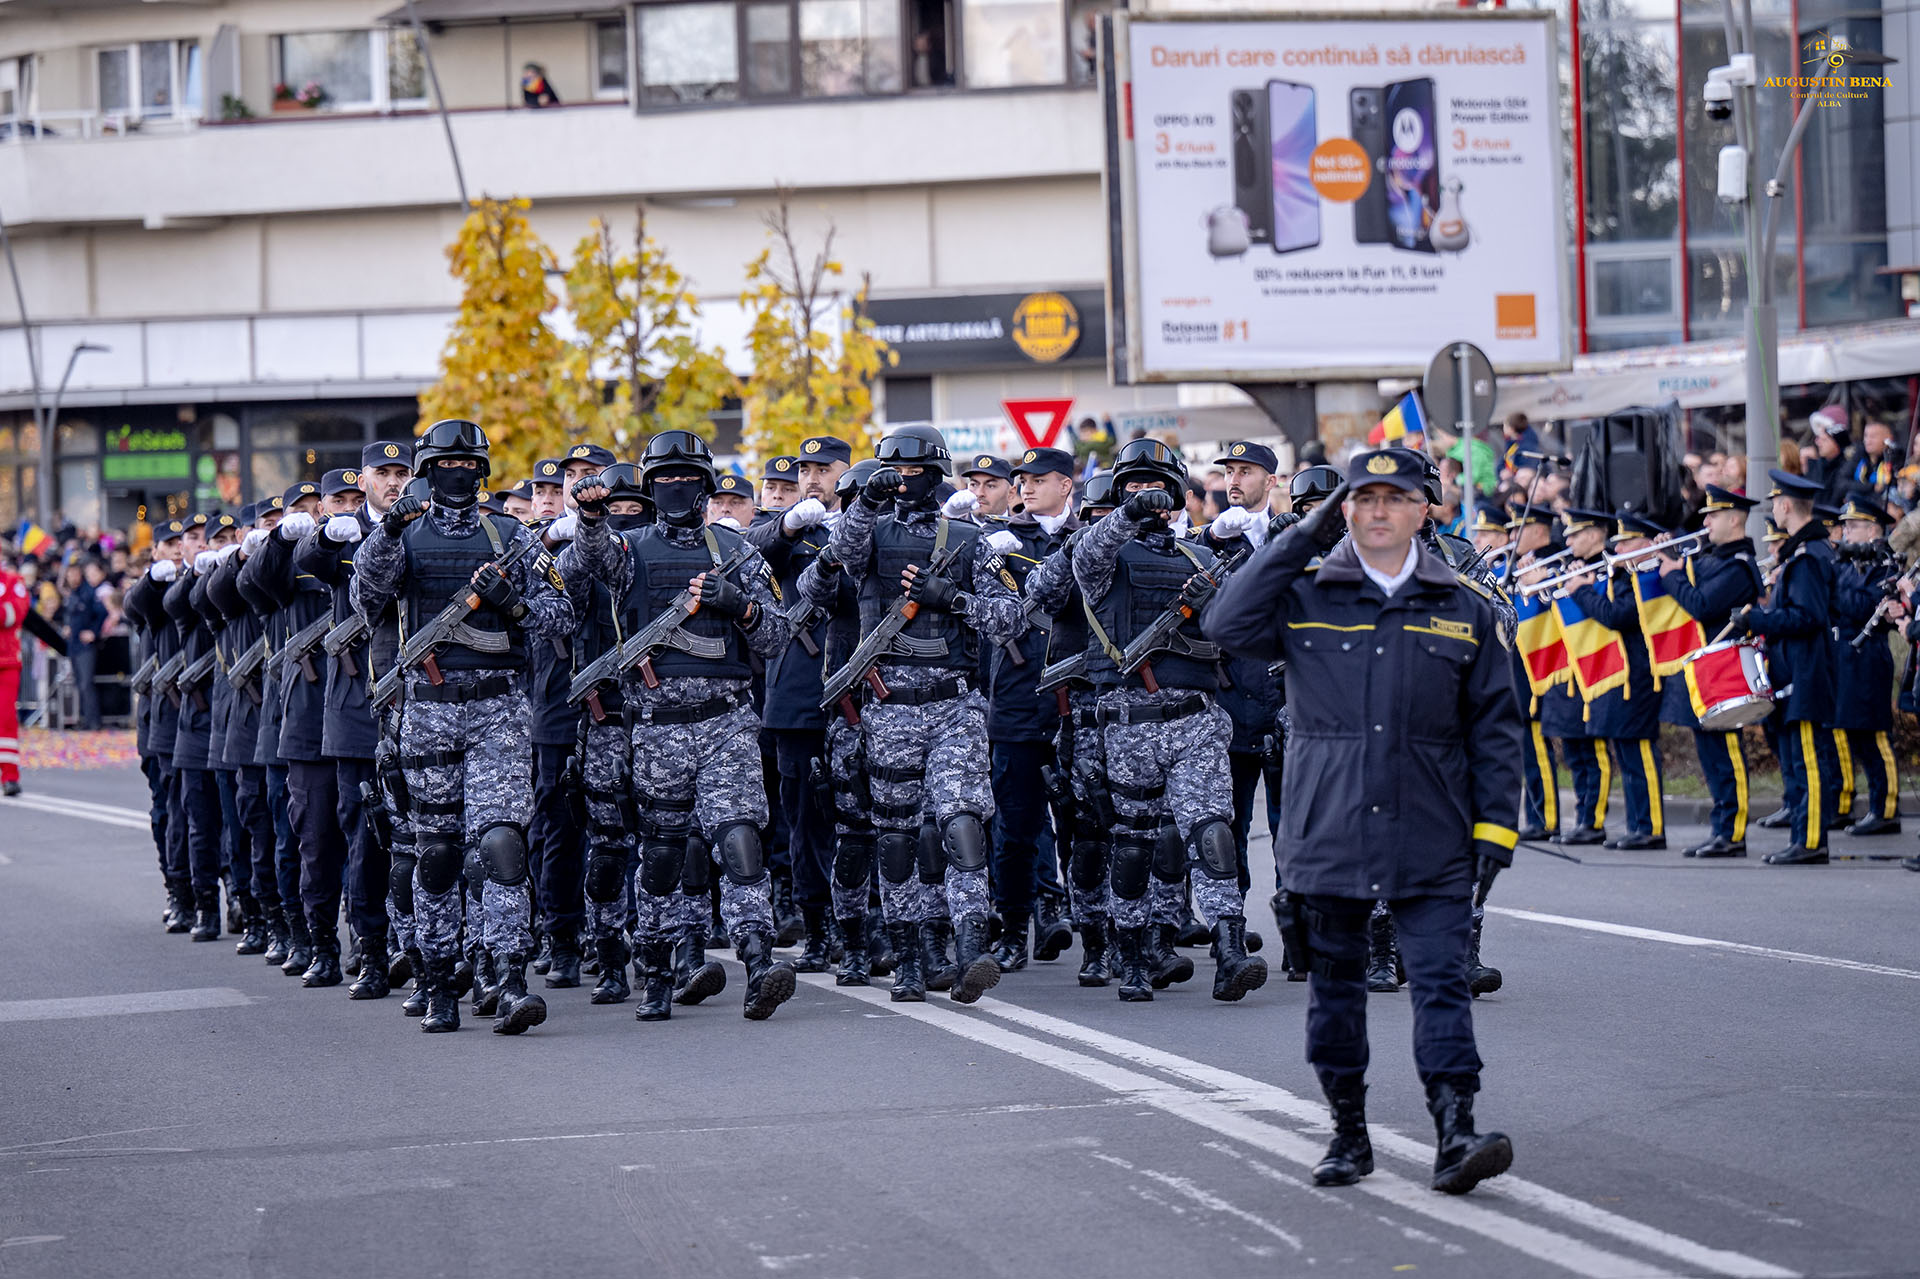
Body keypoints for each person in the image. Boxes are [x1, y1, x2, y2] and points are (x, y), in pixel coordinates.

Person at [1203, 448, 1521, 1197]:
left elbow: (1498, 729)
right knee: (1338, 991)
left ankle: (1455, 1129)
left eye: (1395, 498)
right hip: (1329, 828)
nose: (1379, 511)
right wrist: (1303, 534)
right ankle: (1348, 1131)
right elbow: (1226, 620)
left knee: (1441, 983)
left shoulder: (1463, 607)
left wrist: (1496, 831)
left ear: (1423, 510)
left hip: (1433, 831)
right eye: (1363, 498)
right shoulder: (1306, 593)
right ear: (1344, 509)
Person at [563, 430, 798, 1022]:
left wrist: (738, 606)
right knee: (662, 853)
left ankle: (758, 958)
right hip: (656, 726)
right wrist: (591, 518)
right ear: (648, 486)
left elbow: (776, 636)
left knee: (740, 839)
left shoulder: (737, 550)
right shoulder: (630, 549)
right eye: (664, 478)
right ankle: (658, 970)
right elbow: (589, 564)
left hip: (727, 723)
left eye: (687, 478)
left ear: (706, 485)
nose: (676, 488)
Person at [352, 420, 576, 1034]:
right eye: (444, 464)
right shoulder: (401, 535)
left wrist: (515, 602)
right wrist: (390, 529)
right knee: (438, 852)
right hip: (426, 707)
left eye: (466, 464)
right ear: (428, 471)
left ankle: (508, 976)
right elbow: (366, 596)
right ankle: (439, 975)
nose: (456, 474)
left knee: (502, 842)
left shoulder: (511, 536)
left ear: (481, 471)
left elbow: (562, 616)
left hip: (499, 707)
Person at [812, 424, 1023, 1004]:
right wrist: (868, 502)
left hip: (953, 705)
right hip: (889, 709)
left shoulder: (970, 540)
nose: (902, 484)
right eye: (892, 474)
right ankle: (907, 957)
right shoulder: (868, 534)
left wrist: (951, 599)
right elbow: (837, 562)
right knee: (899, 840)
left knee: (960, 824)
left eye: (910, 474)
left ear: (933, 476)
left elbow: (1010, 619)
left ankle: (971, 945)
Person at [1074, 437, 1266, 1003]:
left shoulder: (1202, 559)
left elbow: (1242, 631)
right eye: (1134, 484)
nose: (1147, 493)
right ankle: (1132, 957)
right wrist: (1127, 514)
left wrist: (1221, 596)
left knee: (1212, 831)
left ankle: (1230, 950)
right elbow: (1086, 558)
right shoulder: (1102, 553)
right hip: (1130, 718)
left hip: (1196, 717)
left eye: (1156, 485)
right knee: (1133, 843)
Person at [747, 435, 852, 974]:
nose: (811, 479)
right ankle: (817, 926)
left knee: (865, 815)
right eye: (803, 471)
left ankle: (867, 923)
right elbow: (746, 553)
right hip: (798, 696)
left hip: (862, 694)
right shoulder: (784, 534)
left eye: (823, 469)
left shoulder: (863, 525)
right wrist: (788, 526)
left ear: (846, 473)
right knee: (805, 820)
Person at [983, 446, 1081, 971]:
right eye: (1022, 480)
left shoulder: (1090, 535)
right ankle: (1014, 926)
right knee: (1016, 826)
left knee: (1085, 823)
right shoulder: (1001, 542)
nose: (1025, 488)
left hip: (1081, 699)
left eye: (1039, 480)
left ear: (1066, 484)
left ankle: (1100, 933)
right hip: (1020, 698)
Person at [1735, 470, 1839, 865]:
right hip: (1797, 670)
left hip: (1808, 672)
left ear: (1784, 506)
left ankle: (1811, 841)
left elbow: (1807, 617)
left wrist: (1758, 620)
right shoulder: (1802, 553)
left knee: (1808, 761)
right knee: (1797, 759)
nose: (1774, 509)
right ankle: (1802, 836)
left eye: (1776, 502)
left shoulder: (1809, 557)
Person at [1655, 486, 1765, 857]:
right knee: (1711, 753)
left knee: (1727, 753)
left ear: (1734, 519)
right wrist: (1670, 555)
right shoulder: (1714, 558)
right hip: (1707, 670)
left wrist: (1669, 573)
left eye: (1713, 516)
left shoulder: (1738, 566)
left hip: (1728, 669)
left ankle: (1732, 832)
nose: (1705, 523)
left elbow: (1700, 605)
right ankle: (1722, 827)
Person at [1563, 513, 1666, 850]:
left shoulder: (1647, 577)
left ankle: (1651, 827)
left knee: (1639, 751)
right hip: (1622, 673)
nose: (1617, 548)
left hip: (1639, 673)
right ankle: (1638, 825)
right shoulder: (1625, 575)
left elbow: (1615, 616)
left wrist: (1580, 591)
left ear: (1646, 544)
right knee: (1626, 751)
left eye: (1626, 542)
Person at [1829, 493, 1901, 837]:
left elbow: (1866, 607)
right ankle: (1856, 805)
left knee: (1874, 735)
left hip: (1869, 655)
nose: (1846, 532)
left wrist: (1831, 590)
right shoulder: (1845, 562)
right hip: (1844, 654)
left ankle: (1885, 809)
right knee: (1851, 732)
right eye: (1845, 525)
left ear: (1873, 529)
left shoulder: (1885, 565)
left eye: (1853, 526)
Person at [60, 560, 108, 729]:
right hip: (73, 645)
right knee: (79, 683)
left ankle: (93, 722)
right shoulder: (71, 595)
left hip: (86, 646)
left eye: (74, 573)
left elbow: (102, 613)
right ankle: (84, 720)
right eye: (69, 573)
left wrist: (93, 633)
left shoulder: (89, 592)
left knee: (86, 683)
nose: (72, 576)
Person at [958, 454, 1015, 518]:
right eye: (974, 485)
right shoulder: (952, 526)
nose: (979, 493)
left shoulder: (1020, 527)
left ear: (1010, 494)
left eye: (990, 486)